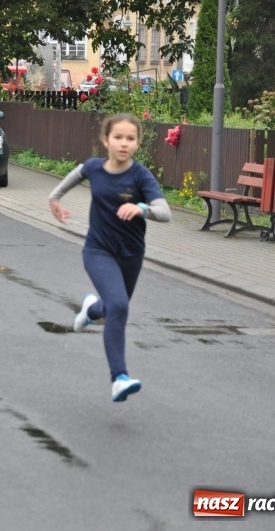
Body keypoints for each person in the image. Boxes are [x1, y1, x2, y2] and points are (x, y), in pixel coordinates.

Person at [48, 113, 172, 402]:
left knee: (113, 307)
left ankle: (91, 310)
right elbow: (68, 181)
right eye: (118, 137)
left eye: (130, 138)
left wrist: (142, 210)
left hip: (131, 254)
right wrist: (54, 200)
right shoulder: (94, 167)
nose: (124, 143)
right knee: (119, 305)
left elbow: (165, 213)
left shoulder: (140, 175)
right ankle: (119, 378)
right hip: (98, 250)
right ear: (106, 140)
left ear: (137, 143)